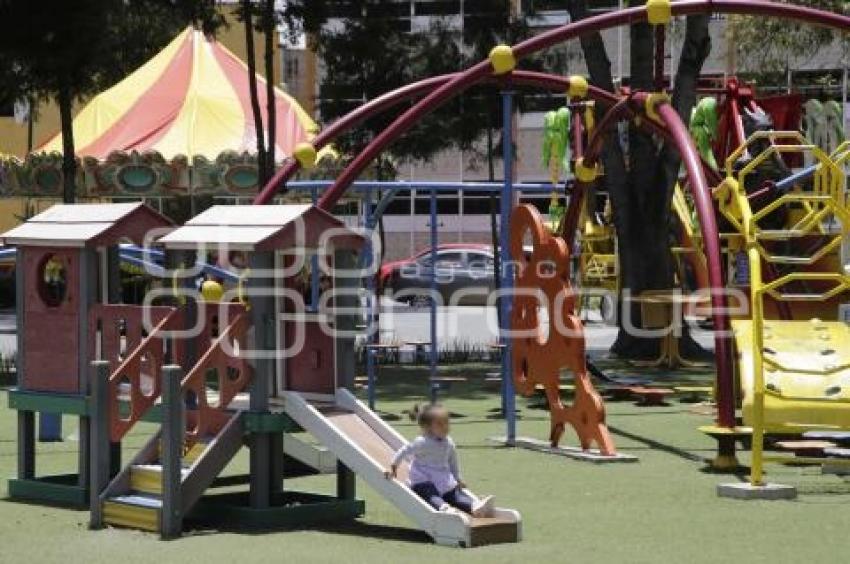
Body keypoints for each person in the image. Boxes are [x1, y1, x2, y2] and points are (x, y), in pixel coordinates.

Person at [385, 403, 494, 520]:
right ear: (428, 427)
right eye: (440, 424)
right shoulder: (422, 442)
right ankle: (444, 508)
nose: (445, 427)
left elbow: (453, 461)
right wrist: (394, 466)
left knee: (455, 495)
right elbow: (404, 450)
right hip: (423, 480)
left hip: (442, 479)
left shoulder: (449, 442)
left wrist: (458, 478)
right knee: (430, 493)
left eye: (447, 423)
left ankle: (474, 506)